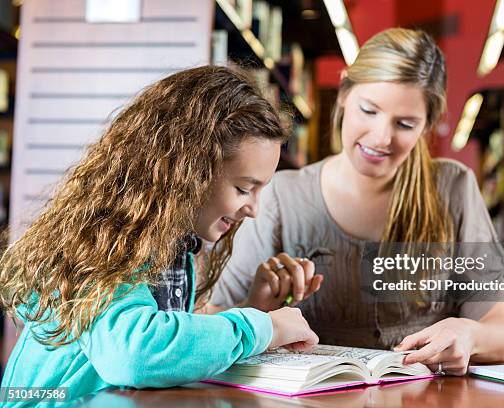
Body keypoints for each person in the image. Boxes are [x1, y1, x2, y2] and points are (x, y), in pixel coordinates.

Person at [208, 29, 504, 376]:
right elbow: (213, 319)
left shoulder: (453, 187)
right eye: (368, 110)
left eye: (405, 124)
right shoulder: (281, 195)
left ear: (427, 125)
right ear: (344, 93)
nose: (381, 137)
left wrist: (470, 333)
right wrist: (256, 309)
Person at [0, 66, 318, 402]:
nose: (253, 209)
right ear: (190, 171)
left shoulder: (174, 240)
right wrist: (262, 328)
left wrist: (252, 308)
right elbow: (133, 352)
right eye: (243, 189)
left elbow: (165, 334)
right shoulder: (112, 238)